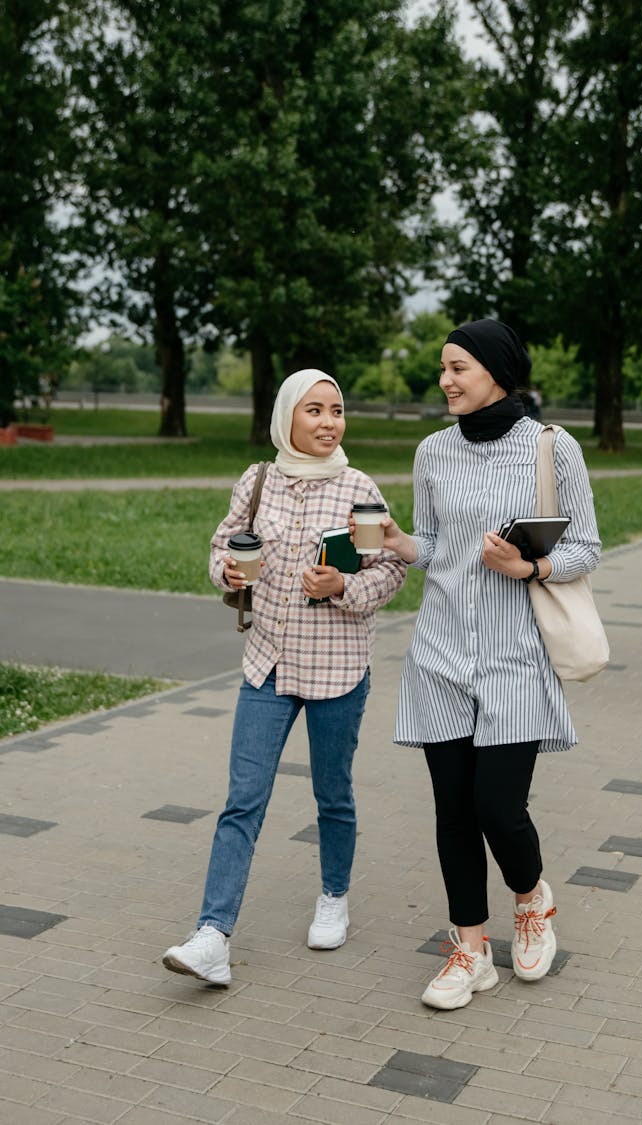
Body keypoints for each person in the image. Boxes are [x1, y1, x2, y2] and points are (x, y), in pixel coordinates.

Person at [380, 319, 601, 1010]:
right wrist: (399, 541)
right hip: (439, 654)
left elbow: (586, 548)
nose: (445, 380)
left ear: (498, 370)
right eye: (443, 368)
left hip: (512, 658)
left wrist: (528, 564)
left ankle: (531, 896)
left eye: (458, 368)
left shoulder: (551, 448)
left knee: (498, 807)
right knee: (453, 809)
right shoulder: (431, 451)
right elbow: (437, 546)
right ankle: (470, 948)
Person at [163, 369, 406, 986]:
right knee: (243, 800)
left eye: (337, 410)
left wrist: (345, 585)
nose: (329, 422)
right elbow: (223, 549)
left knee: (332, 795)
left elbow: (390, 573)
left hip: (337, 670)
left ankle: (333, 896)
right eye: (314, 411)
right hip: (267, 665)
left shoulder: (358, 487)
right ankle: (212, 937)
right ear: (287, 419)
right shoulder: (259, 479)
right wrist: (231, 575)